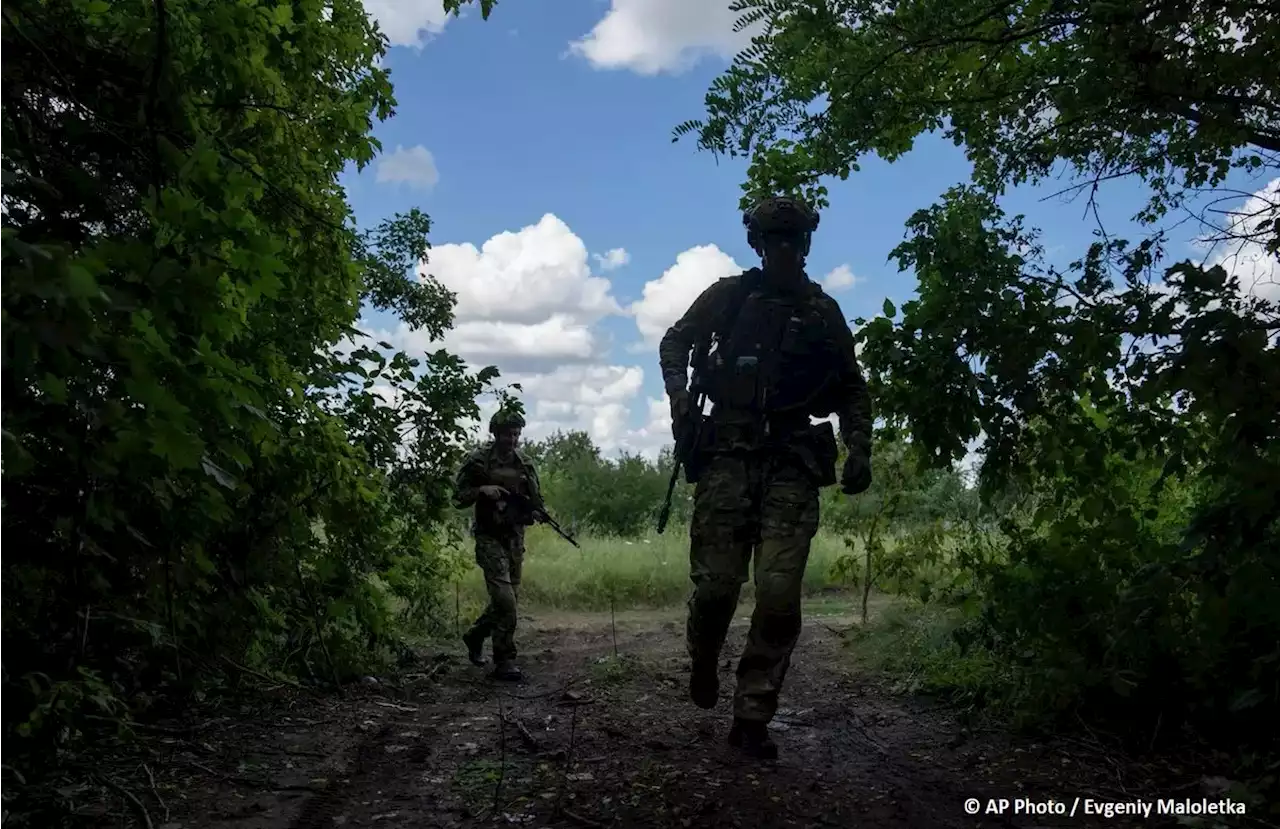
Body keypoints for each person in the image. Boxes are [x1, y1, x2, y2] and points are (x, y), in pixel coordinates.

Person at [658, 195, 873, 759]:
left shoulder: (822, 312)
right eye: (774, 239)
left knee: (778, 595)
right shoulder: (729, 298)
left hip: (791, 462)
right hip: (727, 457)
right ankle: (702, 658)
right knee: (716, 589)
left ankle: (752, 713)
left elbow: (851, 385)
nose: (784, 248)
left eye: (793, 239)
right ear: (757, 244)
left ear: (804, 245)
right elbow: (675, 340)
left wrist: (860, 449)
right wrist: (680, 400)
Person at [452, 408, 543, 682]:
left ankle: (476, 634)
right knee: (505, 602)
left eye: (516, 434)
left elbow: (536, 500)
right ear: (495, 434)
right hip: (489, 537)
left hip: (514, 539)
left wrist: (535, 513)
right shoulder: (479, 461)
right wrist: (481, 491)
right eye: (507, 434)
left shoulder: (524, 463)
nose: (512, 440)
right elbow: (458, 497)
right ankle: (505, 661)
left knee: (508, 600)